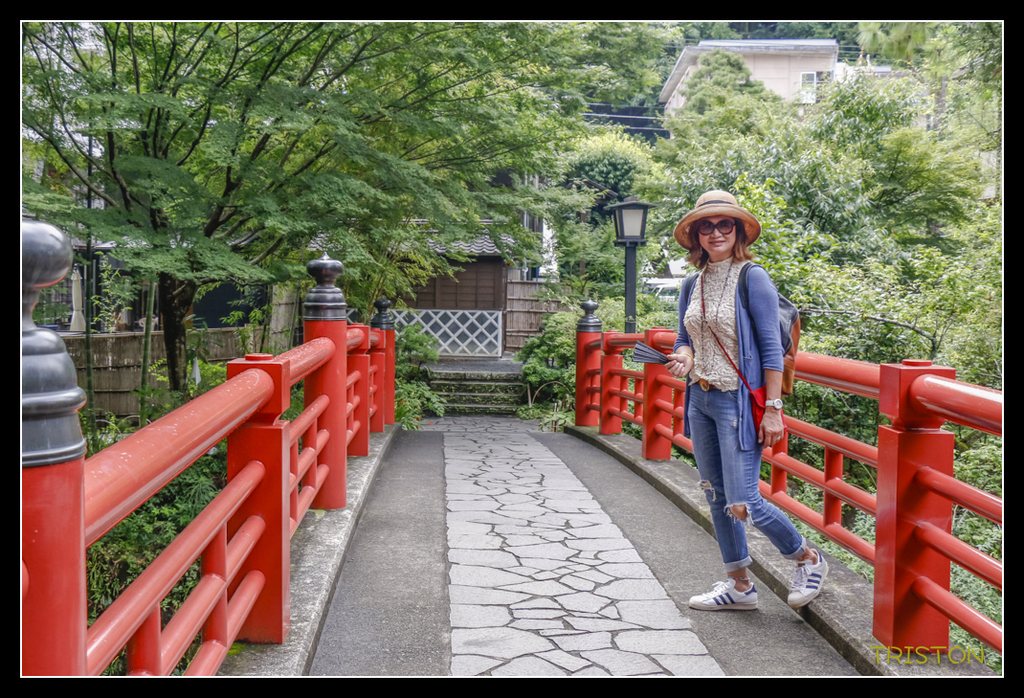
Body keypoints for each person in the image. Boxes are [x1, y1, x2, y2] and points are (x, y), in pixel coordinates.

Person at [664, 190, 827, 611]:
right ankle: (739, 585)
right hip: (699, 398)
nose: (715, 232)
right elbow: (686, 339)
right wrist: (682, 359)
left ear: (737, 231)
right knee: (715, 495)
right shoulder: (691, 283)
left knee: (744, 501)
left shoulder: (752, 277)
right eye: (707, 225)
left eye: (725, 225)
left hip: (737, 401)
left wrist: (774, 410)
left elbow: (772, 350)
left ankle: (807, 558)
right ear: (695, 234)